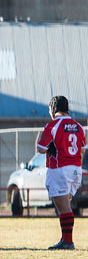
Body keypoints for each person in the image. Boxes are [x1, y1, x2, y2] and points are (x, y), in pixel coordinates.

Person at [37, 95, 86, 250]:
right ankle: (66, 239)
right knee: (67, 205)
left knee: (63, 207)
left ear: (53, 109)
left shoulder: (52, 125)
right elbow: (82, 149)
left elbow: (40, 148)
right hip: (76, 169)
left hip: (59, 169)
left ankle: (67, 241)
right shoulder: (78, 126)